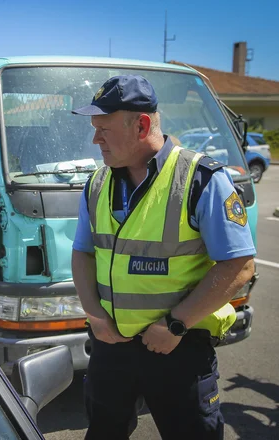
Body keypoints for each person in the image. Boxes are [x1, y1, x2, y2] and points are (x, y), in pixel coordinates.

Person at [70, 75, 256, 440]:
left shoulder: (201, 179)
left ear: (141, 126)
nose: (95, 140)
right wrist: (94, 315)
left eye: (104, 129)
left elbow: (239, 265)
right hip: (112, 347)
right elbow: (83, 253)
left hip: (179, 349)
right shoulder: (97, 183)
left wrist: (175, 324)